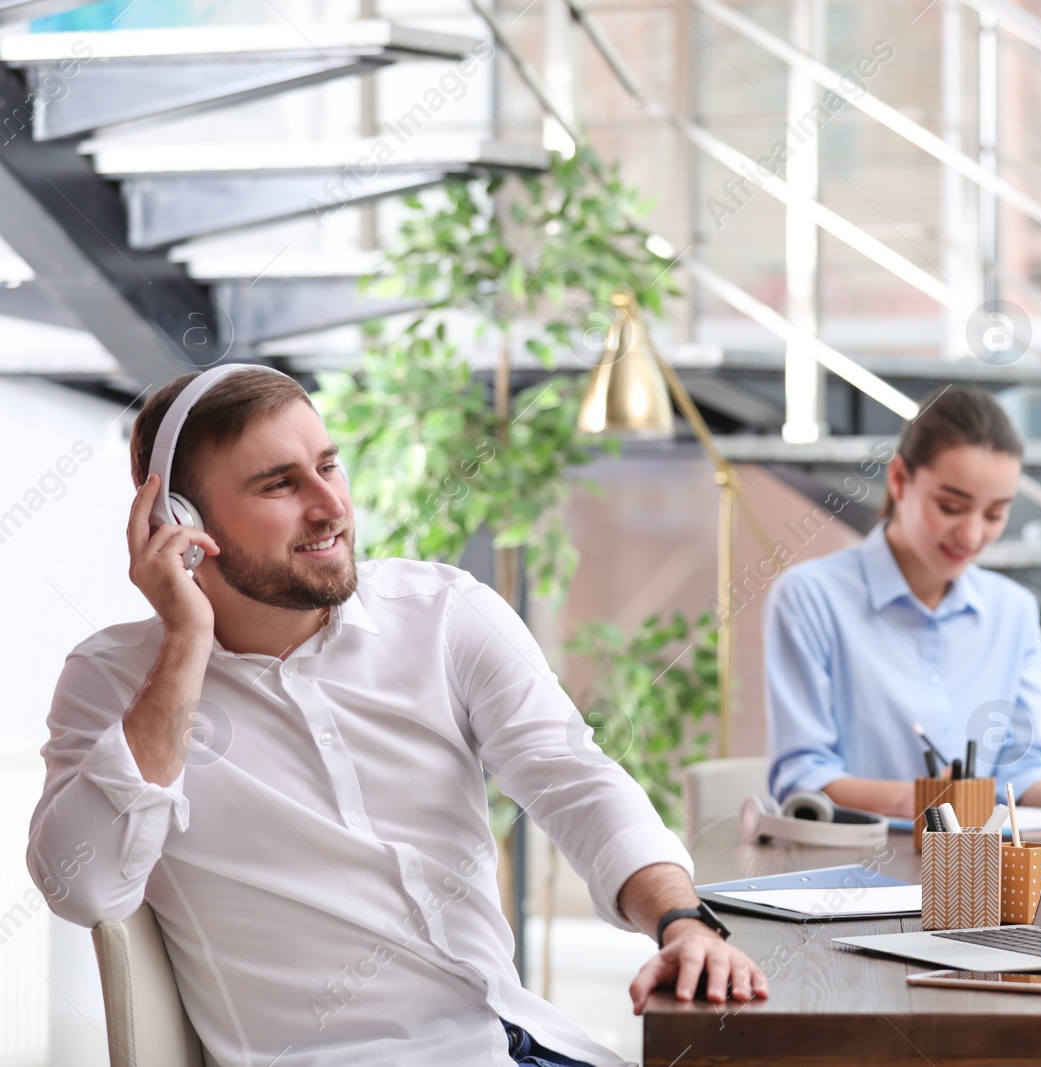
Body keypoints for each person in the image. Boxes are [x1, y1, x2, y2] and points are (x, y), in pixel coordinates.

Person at [27, 367, 766, 1067]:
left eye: (329, 464)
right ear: (178, 522)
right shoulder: (115, 682)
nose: (330, 505)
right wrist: (188, 642)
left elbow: (575, 782)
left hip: (513, 1041)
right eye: (281, 483)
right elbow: (81, 888)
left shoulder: (444, 613)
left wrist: (680, 920)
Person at [763, 386, 1041, 818]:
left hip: (981, 870)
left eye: (995, 514)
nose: (972, 535)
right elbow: (802, 777)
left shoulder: (1013, 609)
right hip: (856, 868)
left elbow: (1026, 767)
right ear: (899, 479)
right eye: (950, 506)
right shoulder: (810, 598)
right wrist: (926, 800)